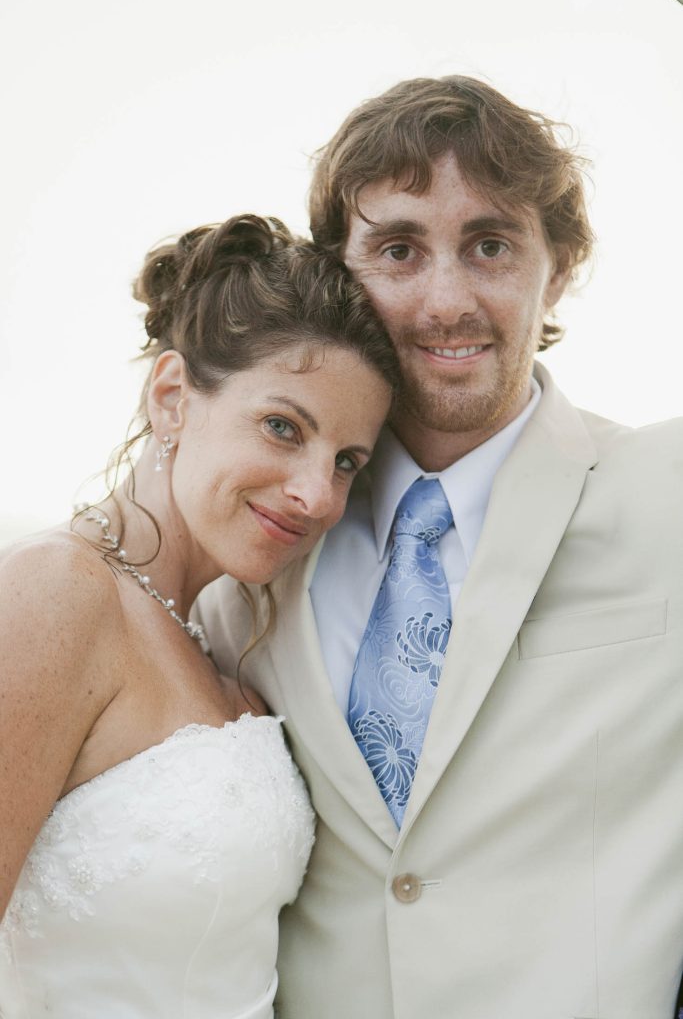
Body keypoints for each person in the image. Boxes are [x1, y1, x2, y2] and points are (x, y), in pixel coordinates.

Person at [196, 78, 683, 1018]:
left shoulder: (668, 492)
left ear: (559, 267)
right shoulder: (255, 546)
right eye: (398, 251)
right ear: (341, 275)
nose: (445, 301)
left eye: (490, 245)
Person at [0, 213, 397, 1018]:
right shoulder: (57, 590)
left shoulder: (219, 634)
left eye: (345, 462)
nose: (317, 496)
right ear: (173, 398)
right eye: (282, 427)